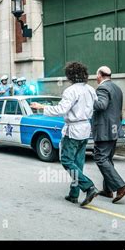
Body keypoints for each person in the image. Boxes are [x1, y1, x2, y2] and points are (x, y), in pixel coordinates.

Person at [31, 61, 98, 207]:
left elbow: (61, 110)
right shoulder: (90, 89)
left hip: (73, 129)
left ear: (70, 75)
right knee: (78, 162)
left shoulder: (71, 90)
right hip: (85, 128)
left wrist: (41, 107)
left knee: (67, 160)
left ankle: (89, 186)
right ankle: (74, 194)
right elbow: (95, 106)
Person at [93, 66, 125, 203]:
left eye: (96, 75)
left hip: (104, 130)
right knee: (107, 159)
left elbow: (102, 105)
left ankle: (121, 187)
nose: (95, 77)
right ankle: (108, 190)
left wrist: (90, 99)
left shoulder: (102, 89)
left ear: (100, 75)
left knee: (100, 158)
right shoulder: (117, 88)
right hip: (114, 129)